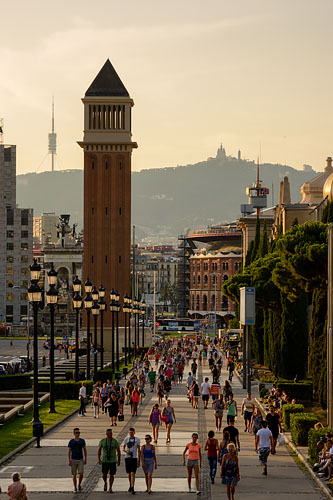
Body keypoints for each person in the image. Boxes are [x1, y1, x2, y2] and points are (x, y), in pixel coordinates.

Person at [98, 428, 121, 492]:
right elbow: (99, 450)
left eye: (111, 433)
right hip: (105, 460)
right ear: (106, 434)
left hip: (113, 460)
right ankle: (105, 482)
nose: (111, 435)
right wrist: (99, 459)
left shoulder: (114, 441)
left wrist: (119, 460)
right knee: (104, 474)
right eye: (109, 433)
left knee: (112, 474)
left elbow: (118, 451)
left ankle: (110, 487)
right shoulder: (103, 441)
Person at [68, 427, 87, 493]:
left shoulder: (82, 441)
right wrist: (69, 460)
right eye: (76, 433)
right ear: (74, 433)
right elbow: (69, 451)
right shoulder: (71, 441)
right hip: (73, 459)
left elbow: (84, 449)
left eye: (78, 433)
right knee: (74, 474)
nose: (78, 434)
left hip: (80, 459)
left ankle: (79, 484)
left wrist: (85, 458)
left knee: (81, 473)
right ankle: (75, 487)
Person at [123, 427, 141, 494]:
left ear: (134, 432)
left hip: (134, 457)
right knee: (129, 473)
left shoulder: (137, 440)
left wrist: (139, 460)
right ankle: (130, 485)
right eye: (130, 432)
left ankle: (133, 487)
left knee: (133, 473)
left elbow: (139, 450)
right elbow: (123, 448)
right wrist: (126, 451)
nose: (131, 433)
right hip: (127, 458)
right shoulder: (126, 439)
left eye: (132, 432)